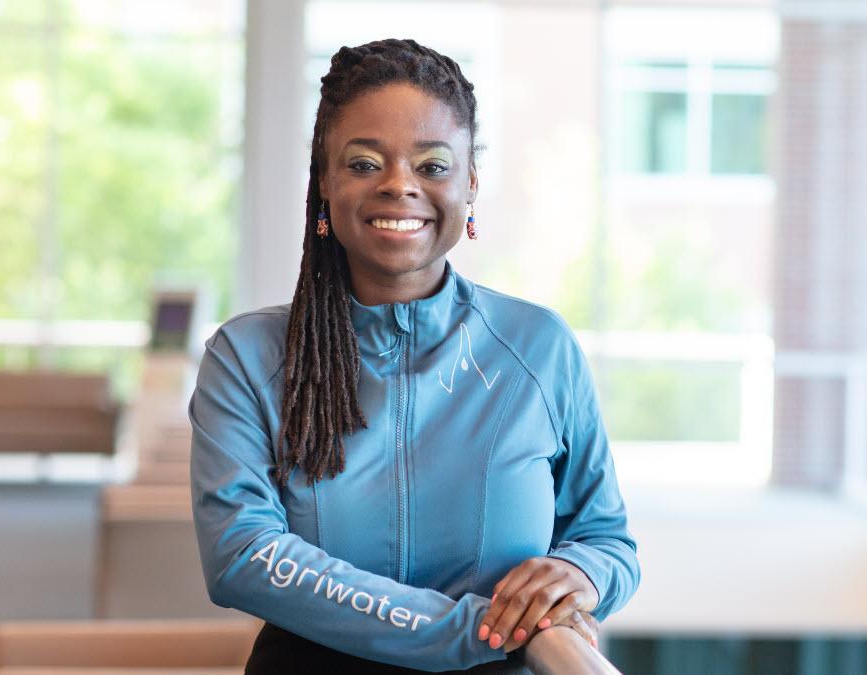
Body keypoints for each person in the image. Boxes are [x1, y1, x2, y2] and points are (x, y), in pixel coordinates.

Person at [188, 39, 640, 674]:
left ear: (470, 184)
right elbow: (242, 555)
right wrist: (489, 628)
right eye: (365, 163)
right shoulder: (247, 356)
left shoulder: (539, 346)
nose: (400, 185)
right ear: (324, 180)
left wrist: (577, 575)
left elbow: (606, 541)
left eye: (432, 166)